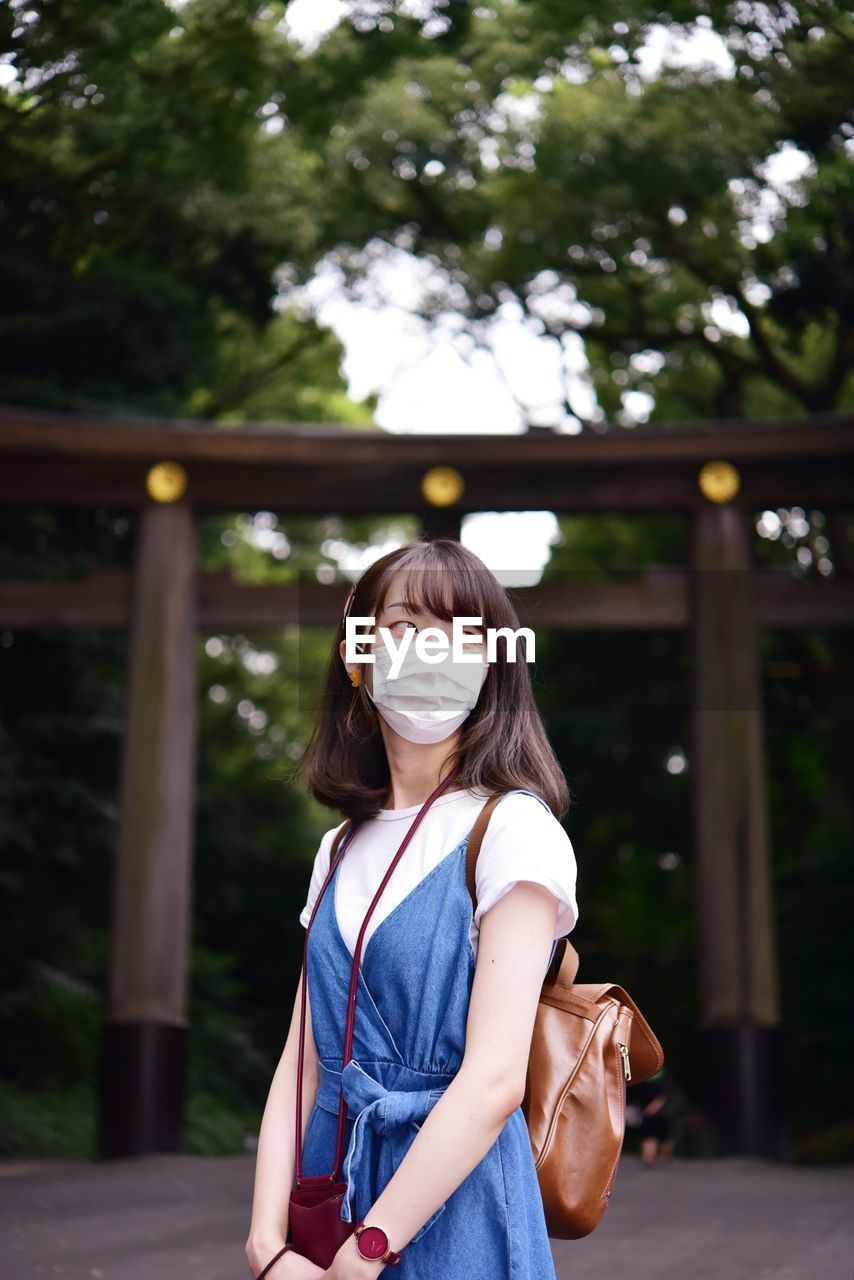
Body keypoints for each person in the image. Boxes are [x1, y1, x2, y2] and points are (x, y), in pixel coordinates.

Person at [245, 538, 580, 1279]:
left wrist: (369, 1250)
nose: (432, 651)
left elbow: (494, 1080)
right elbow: (302, 1064)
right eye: (402, 627)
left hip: (454, 1217)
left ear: (492, 663)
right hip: (324, 1199)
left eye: (462, 632)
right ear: (356, 657)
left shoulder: (513, 830)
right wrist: (266, 1244)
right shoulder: (337, 848)